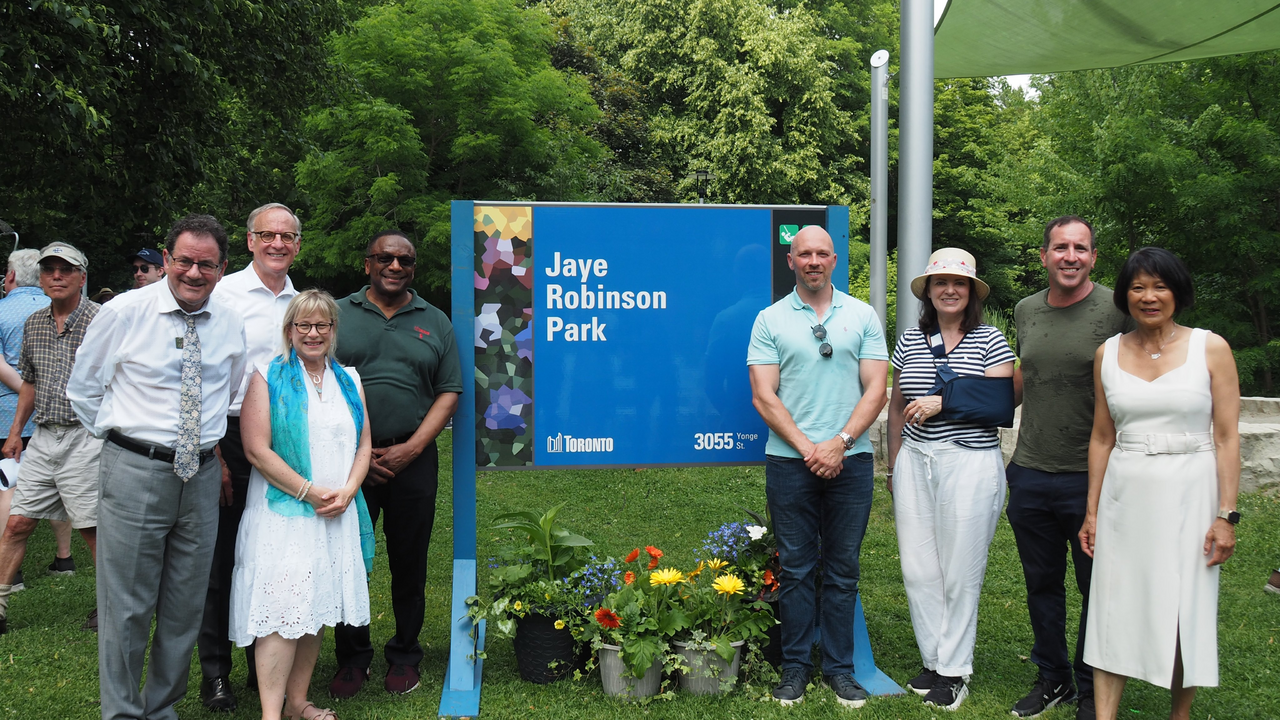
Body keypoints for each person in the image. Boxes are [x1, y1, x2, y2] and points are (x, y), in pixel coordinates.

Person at [67, 213, 247, 720]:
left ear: (222, 268)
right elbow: (84, 389)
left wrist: (200, 445)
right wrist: (125, 444)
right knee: (126, 606)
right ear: (166, 259)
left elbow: (229, 388)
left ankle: (161, 708)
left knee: (186, 603)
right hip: (134, 470)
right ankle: (123, 713)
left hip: (201, 476)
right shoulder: (124, 312)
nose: (194, 272)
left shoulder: (230, 321)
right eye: (184, 261)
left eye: (206, 264)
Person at [1079, 247, 1240, 720]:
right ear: (1125, 295)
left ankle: (1179, 714)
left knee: (1185, 607)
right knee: (1114, 605)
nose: (1149, 297)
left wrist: (1226, 515)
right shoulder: (1107, 353)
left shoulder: (1210, 348)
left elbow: (1227, 437)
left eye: (1160, 286)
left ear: (1177, 292)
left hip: (1192, 490)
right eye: (1138, 287)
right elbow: (1102, 437)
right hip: (1125, 493)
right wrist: (1092, 511)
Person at [747, 225, 889, 708]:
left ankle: (840, 670)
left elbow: (876, 389)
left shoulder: (862, 315)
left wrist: (840, 443)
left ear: (834, 260)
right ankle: (794, 669)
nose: (813, 261)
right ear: (791, 261)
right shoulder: (769, 319)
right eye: (804, 254)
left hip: (852, 461)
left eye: (821, 254)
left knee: (843, 569)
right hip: (790, 463)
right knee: (796, 569)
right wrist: (812, 449)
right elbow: (763, 396)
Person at [1007, 216, 1130, 720]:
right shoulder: (1025, 310)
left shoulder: (1119, 310)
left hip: (1093, 476)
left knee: (1095, 587)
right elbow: (1027, 374)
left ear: (1094, 257)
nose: (1070, 256)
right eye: (1061, 248)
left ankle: (1092, 686)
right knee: (1042, 584)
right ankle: (1052, 677)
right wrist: (958, 399)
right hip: (1030, 471)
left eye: (1081, 248)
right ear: (1044, 256)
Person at [328, 229, 461, 698]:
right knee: (349, 560)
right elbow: (314, 379)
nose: (395, 266)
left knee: (410, 562)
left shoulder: (435, 320)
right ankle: (352, 657)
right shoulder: (336, 315)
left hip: (412, 459)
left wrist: (413, 449)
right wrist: (360, 455)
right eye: (385, 258)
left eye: (405, 260)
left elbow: (449, 391)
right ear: (367, 263)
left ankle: (405, 654)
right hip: (345, 462)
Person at [232, 289, 372, 720]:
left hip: (335, 513)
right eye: (303, 325)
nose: (313, 333)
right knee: (282, 610)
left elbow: (364, 443)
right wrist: (309, 492)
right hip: (285, 515)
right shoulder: (266, 375)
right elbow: (257, 450)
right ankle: (271, 714)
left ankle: (298, 703)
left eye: (321, 325)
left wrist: (348, 490)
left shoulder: (349, 379)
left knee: (315, 606)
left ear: (333, 329)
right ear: (289, 330)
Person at [885, 247, 1015, 711]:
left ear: (972, 291)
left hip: (969, 462)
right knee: (919, 569)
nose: (950, 290)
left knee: (960, 571)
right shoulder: (910, 340)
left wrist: (946, 402)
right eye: (940, 282)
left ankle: (955, 670)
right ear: (928, 291)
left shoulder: (990, 340)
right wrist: (894, 464)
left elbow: (1000, 405)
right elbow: (897, 407)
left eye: (959, 283)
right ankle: (934, 659)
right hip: (915, 459)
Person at [198, 202, 301, 711]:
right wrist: (215, 451)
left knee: (274, 555)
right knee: (222, 556)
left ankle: (269, 668)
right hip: (231, 435)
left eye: (287, 236)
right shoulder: (223, 294)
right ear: (250, 241)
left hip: (288, 440)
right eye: (267, 235)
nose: (277, 243)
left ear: (297, 245)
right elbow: (203, 376)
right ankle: (216, 672)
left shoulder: (302, 304)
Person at [0, 243, 102, 634]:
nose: (56, 276)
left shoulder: (102, 320)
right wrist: (15, 433)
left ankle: (109, 608)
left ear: (82, 276)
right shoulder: (34, 323)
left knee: (92, 529)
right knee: (16, 523)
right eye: (49, 269)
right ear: (40, 277)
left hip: (87, 435)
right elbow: (29, 382)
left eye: (66, 269)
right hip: (43, 436)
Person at [0, 248, 75, 591]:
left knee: (9, 487)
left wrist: (31, 394)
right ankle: (64, 558)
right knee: (59, 486)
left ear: (11, 275)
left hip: (9, 416)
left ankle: (12, 575)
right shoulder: (54, 309)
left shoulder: (2, 311)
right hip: (55, 417)